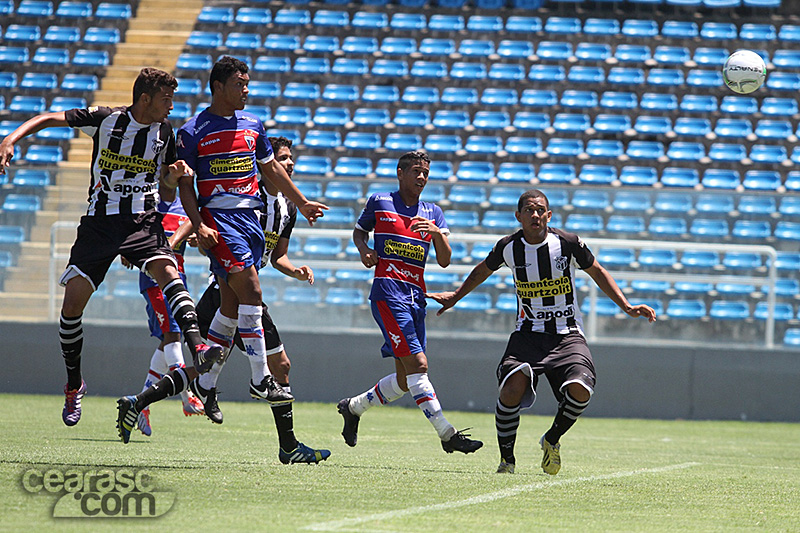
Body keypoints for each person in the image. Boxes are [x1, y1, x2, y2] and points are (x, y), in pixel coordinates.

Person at [0, 68, 224, 433]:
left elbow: (167, 194)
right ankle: (74, 384)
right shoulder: (106, 120)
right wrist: (10, 139)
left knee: (169, 272)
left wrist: (171, 176)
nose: (172, 105)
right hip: (99, 225)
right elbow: (49, 117)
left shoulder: (165, 134)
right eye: (166, 99)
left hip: (141, 222)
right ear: (145, 99)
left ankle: (198, 346)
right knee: (72, 305)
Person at [117, 57, 328, 445]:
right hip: (221, 222)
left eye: (248, 83)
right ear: (218, 86)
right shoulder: (193, 130)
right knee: (253, 293)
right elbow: (184, 184)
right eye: (240, 83)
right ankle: (260, 378)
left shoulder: (254, 126)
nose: (247, 89)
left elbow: (272, 171)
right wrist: (198, 224)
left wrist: (303, 200)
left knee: (227, 322)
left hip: (248, 222)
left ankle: (161, 395)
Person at [428, 189, 657, 475]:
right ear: (519, 216)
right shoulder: (508, 247)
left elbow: (597, 270)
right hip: (528, 333)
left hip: (567, 333)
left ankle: (551, 439)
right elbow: (481, 271)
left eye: (540, 210)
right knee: (511, 389)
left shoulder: (568, 243)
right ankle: (507, 461)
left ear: (549, 215)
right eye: (529, 210)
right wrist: (455, 297)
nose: (535, 215)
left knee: (581, 390)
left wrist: (627, 305)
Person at [192, 136, 330, 464]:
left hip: (246, 293)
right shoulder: (247, 197)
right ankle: (289, 446)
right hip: (227, 292)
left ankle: (141, 401)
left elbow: (277, 255)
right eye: (283, 158)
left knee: (214, 362)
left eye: (291, 158)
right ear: (266, 165)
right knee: (278, 366)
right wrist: (195, 236)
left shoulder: (287, 209)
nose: (290, 163)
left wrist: (294, 270)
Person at [336, 151, 483, 455]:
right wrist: (364, 249)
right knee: (419, 365)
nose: (421, 177)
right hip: (388, 295)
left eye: (426, 173)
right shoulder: (380, 202)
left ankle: (353, 408)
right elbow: (359, 231)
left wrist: (436, 235)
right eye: (416, 171)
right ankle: (447, 434)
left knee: (406, 379)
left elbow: (445, 260)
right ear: (400, 173)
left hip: (416, 298)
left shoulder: (433, 213)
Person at [127, 181, 205, 437]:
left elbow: (192, 234)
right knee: (173, 336)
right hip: (153, 279)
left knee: (167, 341)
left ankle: (141, 403)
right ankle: (186, 394)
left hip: (179, 276)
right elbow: (129, 229)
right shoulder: (149, 201)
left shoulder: (186, 204)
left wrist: (193, 239)